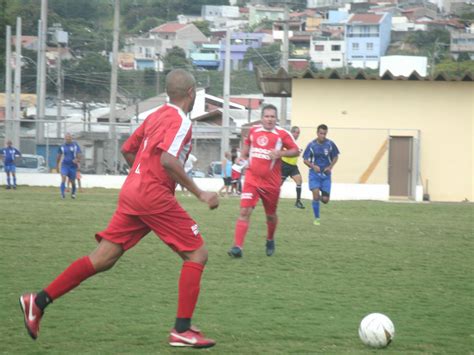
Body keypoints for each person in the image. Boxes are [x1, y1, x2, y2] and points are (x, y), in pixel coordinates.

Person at [19, 69, 219, 349]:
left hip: (133, 191)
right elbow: (168, 161)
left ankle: (37, 302)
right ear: (191, 93)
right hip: (153, 195)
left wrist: (141, 176)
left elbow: (128, 149)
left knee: (103, 258)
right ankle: (181, 330)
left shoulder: (155, 115)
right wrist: (200, 193)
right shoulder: (181, 121)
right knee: (197, 253)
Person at [228, 104, 299, 258]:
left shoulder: (282, 134)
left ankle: (270, 239)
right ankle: (237, 247)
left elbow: (295, 150)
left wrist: (280, 153)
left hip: (271, 183)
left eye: (272, 116)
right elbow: (246, 151)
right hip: (252, 180)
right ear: (262, 118)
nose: (269, 119)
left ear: (276, 119)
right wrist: (242, 158)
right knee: (244, 211)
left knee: (271, 215)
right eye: (267, 116)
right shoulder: (254, 131)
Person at [303, 124, 340, 226]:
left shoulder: (330, 144)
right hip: (314, 174)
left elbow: (336, 157)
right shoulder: (311, 145)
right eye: (321, 133)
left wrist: (330, 167)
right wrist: (313, 166)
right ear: (317, 133)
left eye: (324, 133)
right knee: (315, 194)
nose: (322, 135)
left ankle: (319, 198)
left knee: (325, 200)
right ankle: (317, 218)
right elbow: (305, 160)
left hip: (326, 175)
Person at [281, 126, 305, 209]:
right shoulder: (287, 141)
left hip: (293, 166)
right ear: (292, 133)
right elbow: (283, 151)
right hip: (284, 165)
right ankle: (269, 199)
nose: (298, 135)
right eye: (297, 132)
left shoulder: (295, 143)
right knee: (277, 185)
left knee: (299, 181)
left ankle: (298, 202)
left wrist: (298, 151)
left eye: (299, 133)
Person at [57, 133, 81, 199]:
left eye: (69, 138)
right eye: (66, 138)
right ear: (65, 138)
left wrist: (77, 159)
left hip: (73, 166)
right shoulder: (62, 146)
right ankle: (62, 194)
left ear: (71, 138)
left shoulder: (75, 145)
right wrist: (57, 165)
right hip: (65, 165)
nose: (68, 139)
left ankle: (73, 193)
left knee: (72, 181)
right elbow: (58, 156)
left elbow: (79, 154)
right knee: (63, 178)